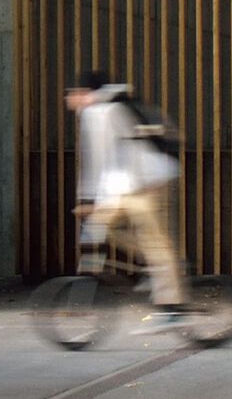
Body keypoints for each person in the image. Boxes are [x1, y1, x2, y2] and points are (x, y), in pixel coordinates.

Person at [65, 72, 188, 331]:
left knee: (154, 242)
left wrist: (89, 199)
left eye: (71, 91)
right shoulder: (103, 108)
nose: (68, 97)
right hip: (129, 185)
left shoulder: (100, 112)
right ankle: (163, 266)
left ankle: (172, 308)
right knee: (104, 227)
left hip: (149, 182)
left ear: (84, 92)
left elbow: (99, 160)